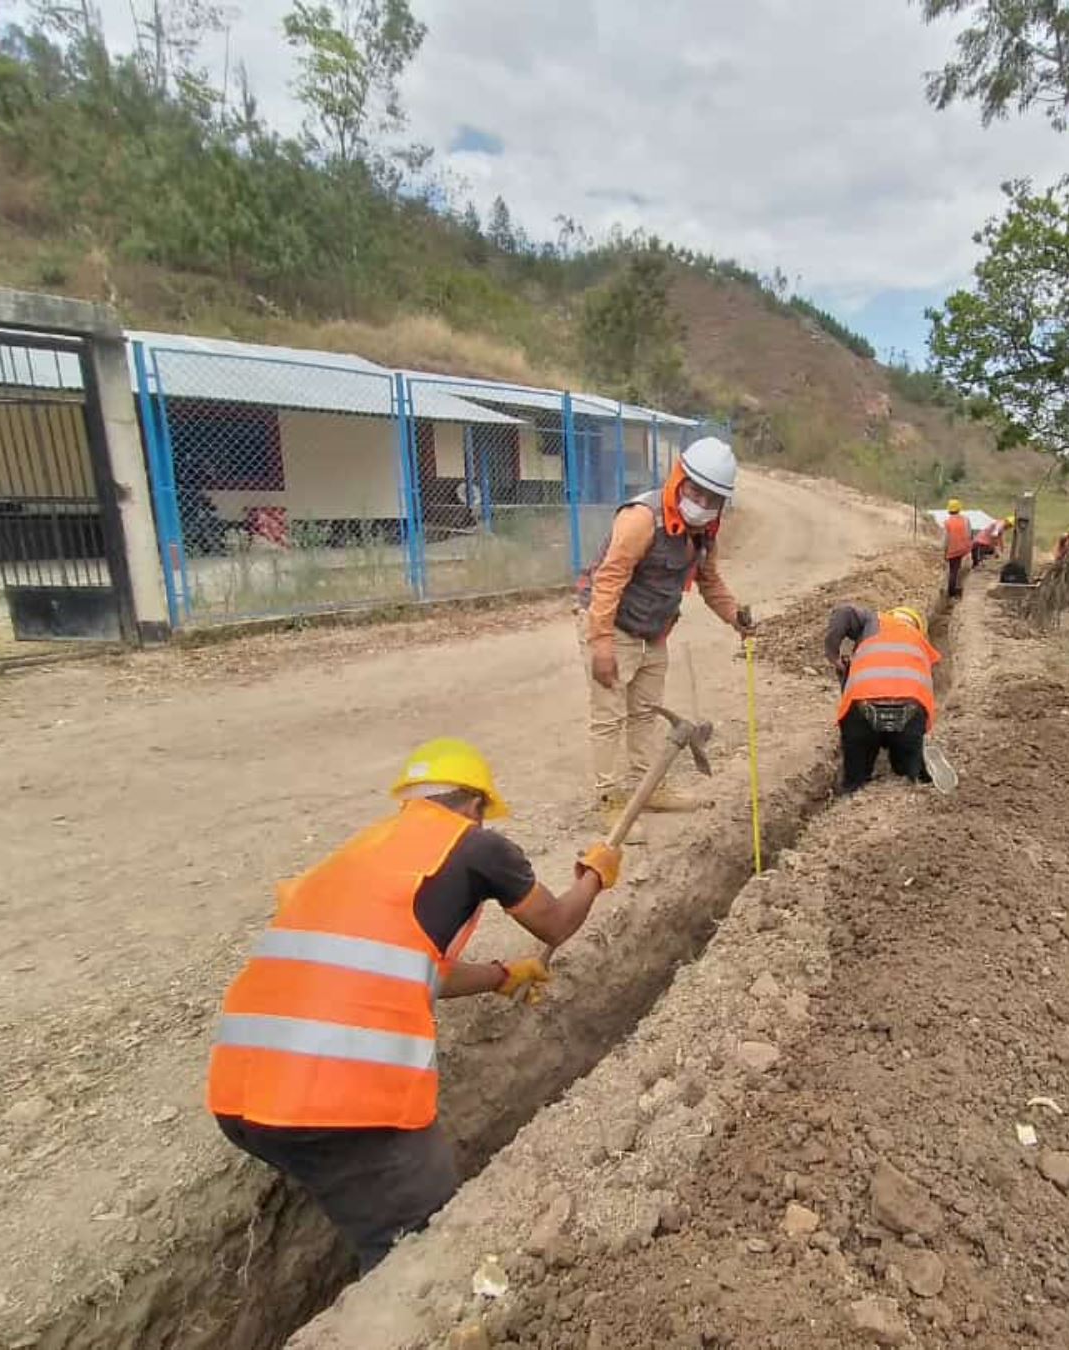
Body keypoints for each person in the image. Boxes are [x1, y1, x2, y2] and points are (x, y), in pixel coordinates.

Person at [207, 738, 621, 1273]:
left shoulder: (359, 854)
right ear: (474, 805)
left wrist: (499, 977)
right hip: (336, 1100)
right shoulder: (479, 848)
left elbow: (397, 967)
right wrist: (594, 875)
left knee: (370, 1210)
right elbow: (556, 923)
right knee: (420, 1252)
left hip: (240, 1098)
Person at [576, 437, 756, 820]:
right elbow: (609, 579)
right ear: (679, 479)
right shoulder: (642, 518)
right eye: (696, 492)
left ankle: (648, 787)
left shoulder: (704, 532)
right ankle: (608, 798)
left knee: (644, 712)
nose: (702, 504)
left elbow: (709, 581)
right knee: (609, 715)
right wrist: (602, 643)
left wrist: (733, 616)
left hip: (654, 632)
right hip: (614, 625)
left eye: (713, 499)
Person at [825, 603, 941, 793]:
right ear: (919, 628)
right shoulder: (922, 643)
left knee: (855, 778)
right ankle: (911, 774)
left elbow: (843, 613)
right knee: (907, 775)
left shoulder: (875, 620)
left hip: (861, 707)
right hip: (910, 711)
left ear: (892, 615)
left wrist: (833, 654)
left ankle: (851, 793)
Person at [942, 499, 972, 598]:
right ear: (959, 509)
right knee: (963, 570)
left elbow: (946, 540)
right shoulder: (966, 519)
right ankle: (960, 589)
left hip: (953, 550)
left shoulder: (947, 522)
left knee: (953, 571)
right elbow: (969, 534)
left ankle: (951, 593)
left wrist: (945, 553)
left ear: (949, 510)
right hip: (965, 549)